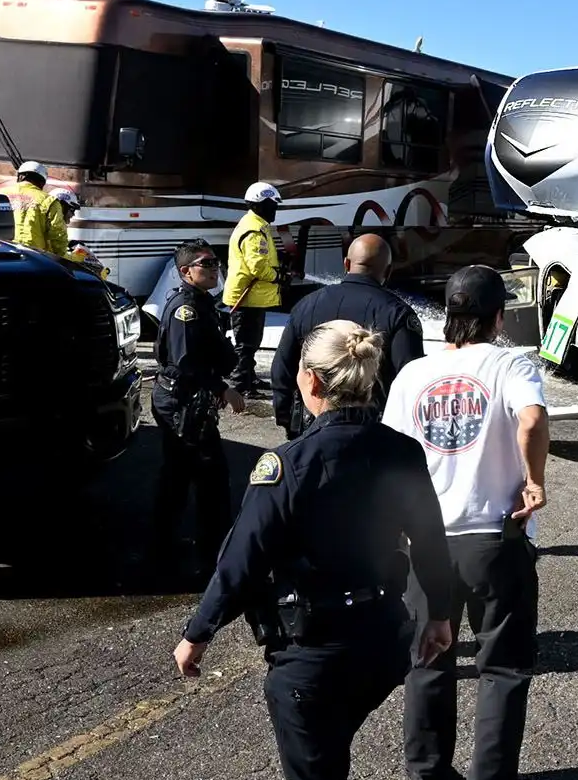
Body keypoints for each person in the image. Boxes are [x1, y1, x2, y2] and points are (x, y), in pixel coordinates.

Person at [171, 320, 455, 780]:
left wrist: (197, 633)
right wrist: (442, 613)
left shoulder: (288, 465)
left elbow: (240, 562)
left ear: (310, 382)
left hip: (313, 656)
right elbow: (433, 542)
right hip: (384, 641)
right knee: (320, 758)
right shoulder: (401, 453)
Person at [383, 266, 548, 780]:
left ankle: (426, 773)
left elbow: (391, 452)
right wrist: (534, 478)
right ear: (498, 317)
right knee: (501, 667)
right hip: (493, 537)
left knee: (429, 656)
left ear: (449, 314)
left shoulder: (413, 374)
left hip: (427, 540)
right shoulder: (510, 364)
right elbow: (531, 419)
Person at [150, 240, 247, 575]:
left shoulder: (202, 303)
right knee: (208, 476)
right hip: (181, 402)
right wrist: (223, 389)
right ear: (185, 271)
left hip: (191, 399)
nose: (213, 268)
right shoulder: (185, 310)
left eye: (215, 262)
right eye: (205, 264)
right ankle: (212, 550)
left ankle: (169, 542)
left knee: (184, 475)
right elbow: (186, 361)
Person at [271, 234, 424, 439]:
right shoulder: (397, 314)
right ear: (388, 271)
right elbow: (412, 380)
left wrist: (287, 418)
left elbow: (282, 367)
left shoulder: (307, 305)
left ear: (346, 263)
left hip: (312, 427)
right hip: (372, 433)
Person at [223, 181, 284, 393]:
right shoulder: (254, 230)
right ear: (260, 205)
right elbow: (257, 267)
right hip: (246, 296)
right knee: (246, 345)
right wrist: (277, 276)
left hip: (252, 296)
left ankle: (249, 378)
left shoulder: (256, 225)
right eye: (272, 205)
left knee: (251, 342)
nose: (275, 210)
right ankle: (240, 385)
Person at [5, 162, 66, 258]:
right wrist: (60, 257)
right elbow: (58, 235)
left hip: (1, 256)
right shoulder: (49, 201)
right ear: (42, 182)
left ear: (20, 177)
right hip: (35, 259)